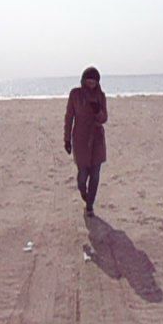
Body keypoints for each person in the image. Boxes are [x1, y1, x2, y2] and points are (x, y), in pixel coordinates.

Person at [64, 66, 108, 216]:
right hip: (80, 139)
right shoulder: (75, 94)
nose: (91, 85)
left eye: (94, 82)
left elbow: (104, 119)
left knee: (95, 175)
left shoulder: (101, 96)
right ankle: (84, 193)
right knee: (82, 175)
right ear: (83, 81)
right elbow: (69, 117)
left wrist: (98, 111)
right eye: (88, 81)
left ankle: (90, 205)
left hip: (97, 140)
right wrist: (67, 139)